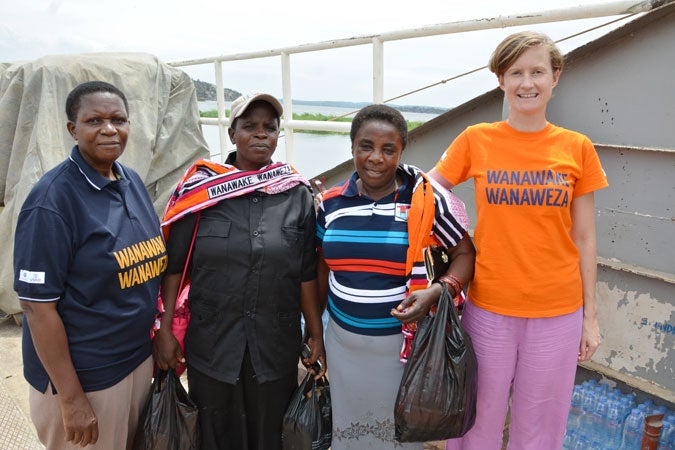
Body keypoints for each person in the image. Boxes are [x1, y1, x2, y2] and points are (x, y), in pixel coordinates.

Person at [428, 31, 609, 449]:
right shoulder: (476, 138)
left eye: (537, 72)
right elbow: (427, 193)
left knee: (541, 425)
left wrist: (591, 317)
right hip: (489, 304)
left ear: (555, 78)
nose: (527, 83)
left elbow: (584, 237)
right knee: (477, 419)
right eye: (516, 73)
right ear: (500, 81)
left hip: (558, 310)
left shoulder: (576, 147)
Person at [153, 92, 326, 450]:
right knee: (215, 436)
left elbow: (306, 272)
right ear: (232, 134)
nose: (261, 134)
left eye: (270, 127)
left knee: (271, 435)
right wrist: (164, 329)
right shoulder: (201, 192)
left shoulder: (296, 194)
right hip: (214, 346)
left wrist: (314, 332)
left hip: (274, 346)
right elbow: (173, 269)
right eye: (250, 127)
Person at [13, 81, 166, 449]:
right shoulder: (52, 202)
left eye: (118, 119)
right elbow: (37, 307)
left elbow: (146, 269)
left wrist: (159, 331)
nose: (109, 129)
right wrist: (71, 399)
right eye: (94, 120)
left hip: (134, 360)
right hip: (88, 376)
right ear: (73, 129)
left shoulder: (129, 181)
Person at [316, 104, 476, 449]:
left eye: (388, 149)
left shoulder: (426, 199)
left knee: (396, 436)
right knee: (349, 432)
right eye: (366, 146)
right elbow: (320, 267)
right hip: (342, 343)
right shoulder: (330, 203)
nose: (376, 158)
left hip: (402, 349)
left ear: (401, 151)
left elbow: (465, 254)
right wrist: (315, 332)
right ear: (352, 146)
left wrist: (438, 291)